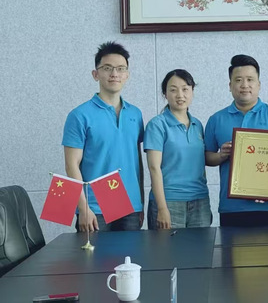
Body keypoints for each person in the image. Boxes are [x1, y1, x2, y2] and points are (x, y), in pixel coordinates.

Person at [63, 41, 144, 232]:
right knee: (93, 254)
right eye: (107, 68)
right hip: (94, 207)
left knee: (131, 253)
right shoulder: (79, 115)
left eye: (120, 68)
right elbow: (71, 165)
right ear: (95, 74)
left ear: (127, 75)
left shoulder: (135, 114)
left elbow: (137, 161)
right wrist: (83, 208)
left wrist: (140, 202)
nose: (114, 73)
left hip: (130, 207)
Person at [204, 54, 268, 227]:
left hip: (266, 206)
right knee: (230, 246)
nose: (245, 85)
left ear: (259, 84)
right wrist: (222, 155)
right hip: (230, 207)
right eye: (238, 80)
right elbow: (207, 157)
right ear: (230, 86)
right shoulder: (216, 119)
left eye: (250, 79)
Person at [144, 69, 211, 229]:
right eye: (173, 90)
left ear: (192, 91)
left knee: (201, 246)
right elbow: (154, 168)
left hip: (200, 201)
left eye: (185, 89)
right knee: (166, 247)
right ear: (165, 94)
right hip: (169, 201)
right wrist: (162, 208)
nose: (180, 95)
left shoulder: (197, 125)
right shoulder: (157, 125)